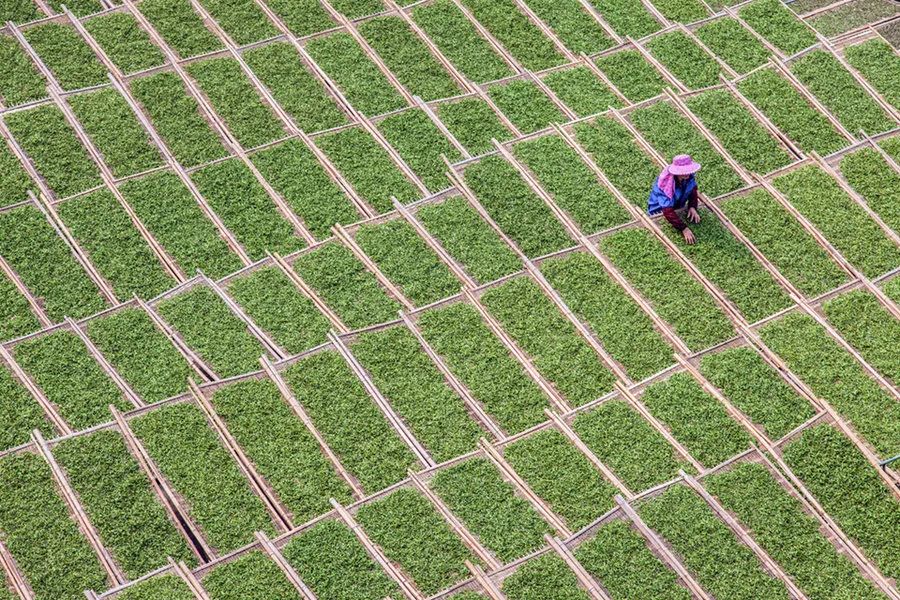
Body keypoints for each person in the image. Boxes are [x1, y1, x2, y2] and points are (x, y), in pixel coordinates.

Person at [647, 154, 702, 245]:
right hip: (659, 211)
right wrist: (683, 228)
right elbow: (667, 211)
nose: (687, 174)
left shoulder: (689, 177)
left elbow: (692, 190)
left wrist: (692, 206)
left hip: (677, 206)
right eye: (684, 172)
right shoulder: (665, 184)